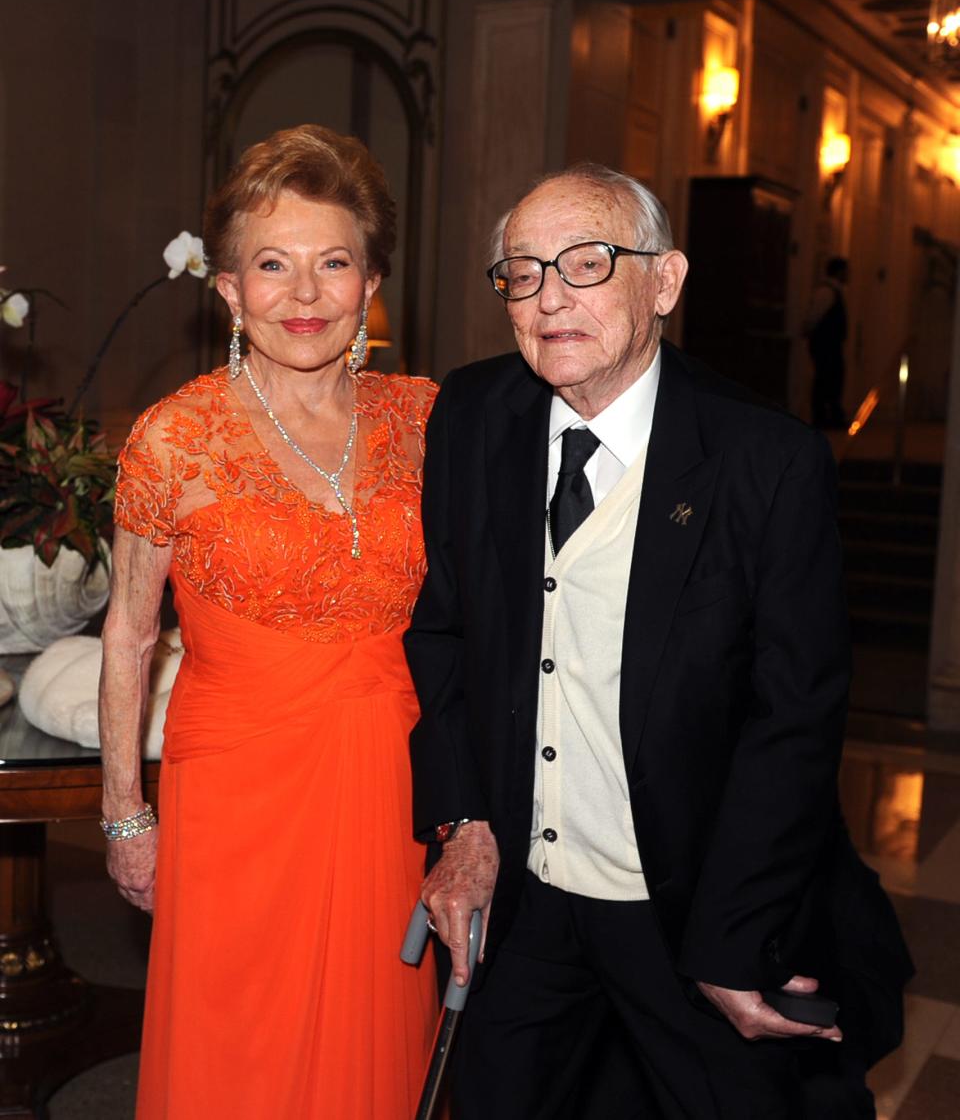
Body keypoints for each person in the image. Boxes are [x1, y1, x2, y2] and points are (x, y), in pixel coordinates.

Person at [405, 165, 911, 1118]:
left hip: (685, 909)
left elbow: (794, 718)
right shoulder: (474, 417)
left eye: (586, 264)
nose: (550, 297)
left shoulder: (765, 460)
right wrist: (463, 822)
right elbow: (444, 637)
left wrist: (732, 933)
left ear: (665, 282)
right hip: (524, 900)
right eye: (522, 272)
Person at [99, 124, 438, 1119]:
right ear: (230, 290)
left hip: (393, 787)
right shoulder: (175, 437)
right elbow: (128, 634)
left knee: (378, 1047)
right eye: (273, 265)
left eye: (333, 262)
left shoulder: (429, 421)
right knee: (234, 1053)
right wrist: (126, 812)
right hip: (234, 797)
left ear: (372, 282)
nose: (305, 294)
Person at [805, 255, 849, 429]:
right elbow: (813, 316)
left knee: (833, 379)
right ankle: (823, 417)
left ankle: (831, 416)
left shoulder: (835, 291)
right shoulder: (827, 291)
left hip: (831, 344)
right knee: (825, 379)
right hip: (825, 345)